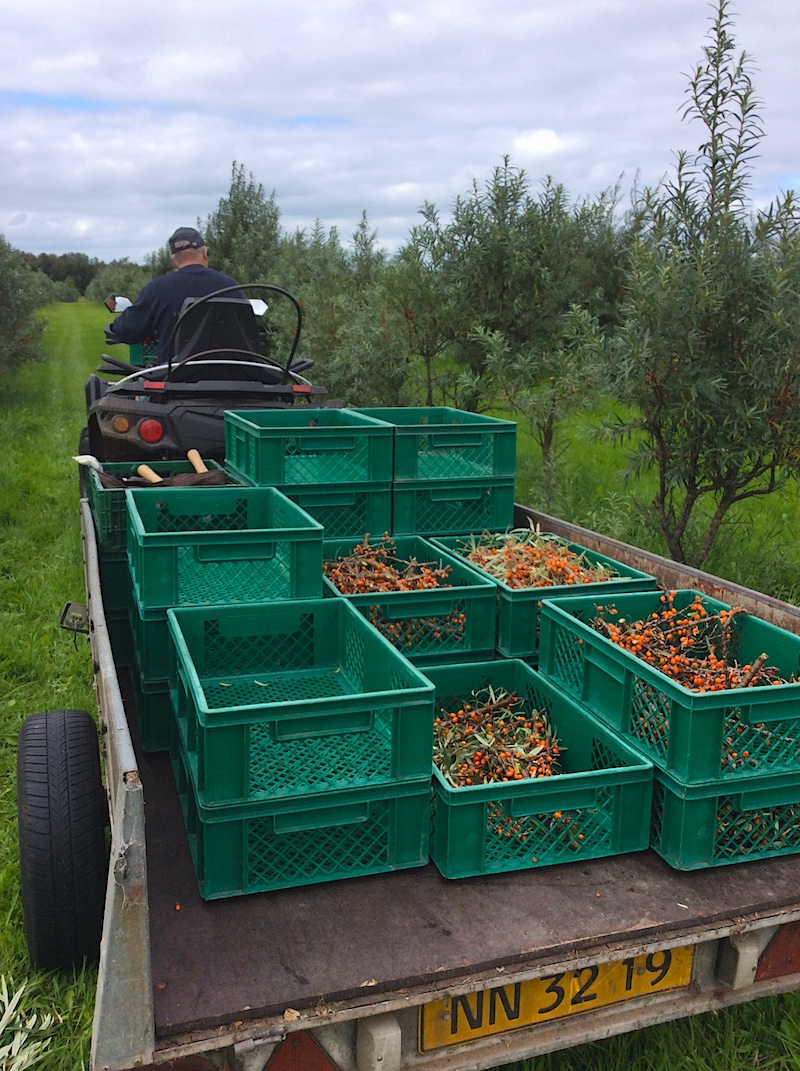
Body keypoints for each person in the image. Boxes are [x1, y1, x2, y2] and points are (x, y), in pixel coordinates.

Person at [105, 227, 241, 362]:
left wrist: (114, 328)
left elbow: (127, 331)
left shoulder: (157, 289)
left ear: (173, 261)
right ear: (205, 253)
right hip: (230, 373)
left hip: (176, 373)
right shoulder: (232, 287)